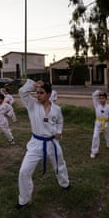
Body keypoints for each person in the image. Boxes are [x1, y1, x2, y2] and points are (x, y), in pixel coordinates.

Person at [16, 79, 70, 210]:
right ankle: (24, 200)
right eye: (37, 93)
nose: (38, 95)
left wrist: (59, 132)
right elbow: (22, 92)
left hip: (52, 142)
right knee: (24, 171)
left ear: (49, 94)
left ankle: (65, 184)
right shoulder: (32, 105)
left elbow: (59, 122)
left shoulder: (56, 109)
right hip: (36, 143)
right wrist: (33, 85)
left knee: (60, 164)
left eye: (41, 93)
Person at [90, 90, 109, 158]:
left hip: (106, 123)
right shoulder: (96, 104)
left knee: (108, 135)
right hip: (98, 123)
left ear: (106, 99)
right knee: (95, 136)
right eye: (100, 98)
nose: (102, 100)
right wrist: (98, 92)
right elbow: (93, 95)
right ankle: (94, 151)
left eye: (103, 98)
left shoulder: (108, 106)